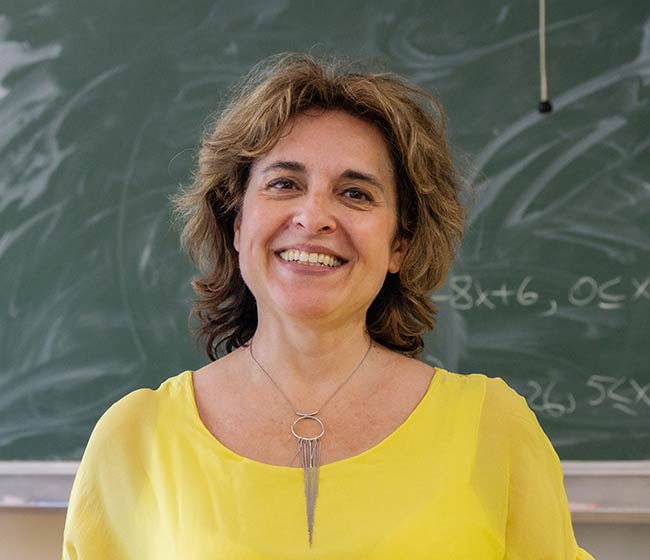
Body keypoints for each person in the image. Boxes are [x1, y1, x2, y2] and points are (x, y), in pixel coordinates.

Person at [62, 53, 595, 559]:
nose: (314, 216)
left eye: (356, 194)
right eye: (284, 183)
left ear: (399, 245)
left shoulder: (494, 430)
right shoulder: (134, 437)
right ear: (237, 223)